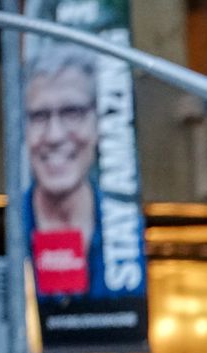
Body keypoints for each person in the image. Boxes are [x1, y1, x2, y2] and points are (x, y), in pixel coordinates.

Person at [22, 42, 134, 298]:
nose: (54, 135)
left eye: (72, 112)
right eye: (39, 116)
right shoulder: (9, 233)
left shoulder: (127, 231)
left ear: (98, 122)